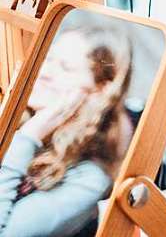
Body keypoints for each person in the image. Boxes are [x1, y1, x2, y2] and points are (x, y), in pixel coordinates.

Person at [0, 24, 133, 237]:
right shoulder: (19, 117)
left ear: (100, 89)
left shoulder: (90, 177)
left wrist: (29, 135)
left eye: (65, 67)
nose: (43, 72)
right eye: (48, 59)